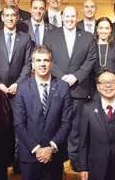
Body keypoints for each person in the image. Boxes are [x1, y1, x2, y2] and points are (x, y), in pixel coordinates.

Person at [44, 5, 96, 170]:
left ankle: (75, 158)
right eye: (67, 16)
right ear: (61, 17)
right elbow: (47, 57)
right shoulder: (51, 35)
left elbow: (91, 59)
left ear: (77, 17)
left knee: (76, 127)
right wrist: (62, 77)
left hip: (78, 88)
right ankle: (57, 155)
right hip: (56, 87)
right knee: (56, 123)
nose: (70, 19)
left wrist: (76, 76)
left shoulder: (87, 37)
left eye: (73, 16)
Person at [13, 45, 73, 180]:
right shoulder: (22, 88)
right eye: (38, 60)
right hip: (30, 155)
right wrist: (36, 149)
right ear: (33, 64)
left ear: (51, 63)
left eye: (46, 60)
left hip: (54, 155)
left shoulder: (63, 87)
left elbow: (66, 122)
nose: (42, 64)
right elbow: (19, 124)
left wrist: (51, 148)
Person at [0, 7, 33, 96]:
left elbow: (28, 63)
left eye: (13, 15)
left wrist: (17, 84)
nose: (10, 18)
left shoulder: (26, 38)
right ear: (2, 18)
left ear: (17, 17)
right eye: (7, 15)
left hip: (18, 89)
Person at [90, 17, 115, 99]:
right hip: (93, 88)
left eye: (107, 28)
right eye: (101, 28)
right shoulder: (90, 45)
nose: (104, 31)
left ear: (110, 30)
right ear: (96, 29)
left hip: (112, 87)